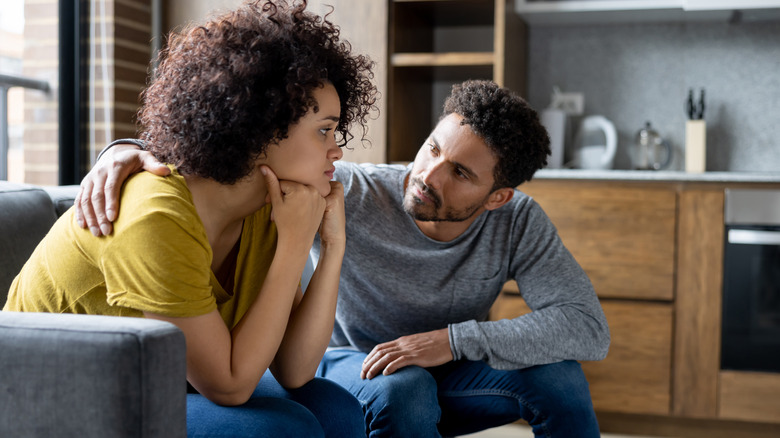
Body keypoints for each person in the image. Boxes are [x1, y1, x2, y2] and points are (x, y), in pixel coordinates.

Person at [74, 80, 611, 437]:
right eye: (432, 149)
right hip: (349, 363)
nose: (428, 175)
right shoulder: (352, 189)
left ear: (498, 197)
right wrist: (121, 150)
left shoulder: (519, 221)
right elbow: (225, 152)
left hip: (450, 367)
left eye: (462, 174)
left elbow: (587, 328)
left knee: (560, 378)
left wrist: (449, 342)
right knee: (406, 390)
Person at [3, 1, 377, 437]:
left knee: (336, 410)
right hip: (54, 396)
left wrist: (332, 248)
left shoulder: (266, 208)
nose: (337, 150)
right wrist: (294, 244)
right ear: (260, 126)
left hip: (158, 381)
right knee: (281, 428)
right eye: (323, 130)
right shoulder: (155, 213)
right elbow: (231, 386)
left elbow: (295, 369)